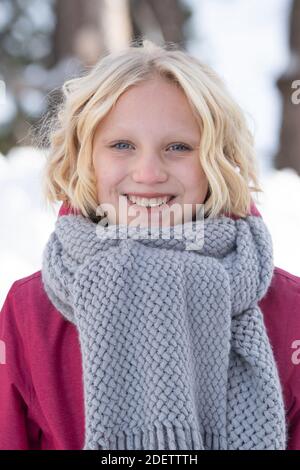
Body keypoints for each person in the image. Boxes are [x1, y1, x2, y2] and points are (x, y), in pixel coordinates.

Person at [0, 39, 299, 450]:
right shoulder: (29, 309)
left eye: (178, 148)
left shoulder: (288, 308)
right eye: (122, 145)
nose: (148, 172)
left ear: (218, 159)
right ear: (84, 158)